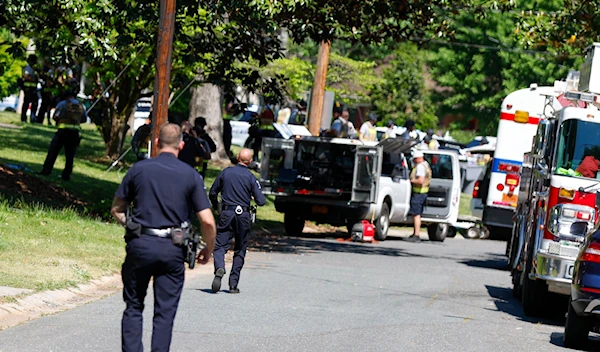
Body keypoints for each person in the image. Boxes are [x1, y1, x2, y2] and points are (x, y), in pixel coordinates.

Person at [110, 123, 216, 352]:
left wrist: (132, 226)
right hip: (173, 249)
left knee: (133, 306)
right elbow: (207, 220)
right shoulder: (191, 175)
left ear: (156, 143)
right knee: (164, 313)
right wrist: (209, 248)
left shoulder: (139, 169)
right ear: (182, 144)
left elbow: (117, 209)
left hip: (140, 246)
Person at [209, 148, 266, 294]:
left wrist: (217, 207)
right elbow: (261, 201)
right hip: (243, 216)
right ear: (251, 161)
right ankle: (233, 285)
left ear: (236, 157)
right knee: (240, 248)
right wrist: (252, 195)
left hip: (227, 213)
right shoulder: (251, 177)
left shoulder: (226, 173)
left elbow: (213, 192)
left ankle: (220, 267)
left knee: (220, 245)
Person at [39, 90, 86, 181]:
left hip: (62, 131)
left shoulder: (63, 104)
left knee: (53, 152)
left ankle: (46, 171)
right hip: (74, 133)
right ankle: (66, 175)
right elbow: (83, 119)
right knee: (70, 156)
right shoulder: (81, 106)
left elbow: (55, 116)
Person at [406, 150, 432, 243]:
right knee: (417, 214)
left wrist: (411, 180)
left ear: (417, 158)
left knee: (416, 215)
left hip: (419, 193)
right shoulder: (425, 164)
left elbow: (420, 181)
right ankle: (415, 234)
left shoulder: (420, 167)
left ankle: (416, 235)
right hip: (423, 192)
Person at [20, 54, 39, 123]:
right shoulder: (28, 68)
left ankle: (32, 117)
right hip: (28, 88)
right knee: (26, 103)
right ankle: (23, 118)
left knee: (35, 103)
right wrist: (34, 78)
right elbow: (26, 76)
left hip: (33, 88)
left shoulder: (34, 69)